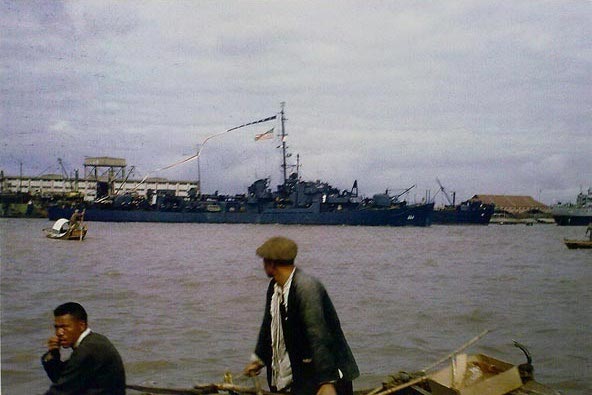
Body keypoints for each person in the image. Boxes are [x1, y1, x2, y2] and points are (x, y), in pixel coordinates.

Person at [244, 236, 359, 395]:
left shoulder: (306, 288)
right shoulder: (275, 287)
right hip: (303, 375)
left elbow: (318, 335)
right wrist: (259, 360)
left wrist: (327, 382)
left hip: (329, 377)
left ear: (271, 263)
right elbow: (268, 326)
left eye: (264, 261)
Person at [41, 302, 126, 395]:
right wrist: (53, 354)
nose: (59, 333)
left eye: (64, 327)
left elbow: (60, 389)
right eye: (56, 327)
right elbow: (62, 380)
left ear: (81, 325)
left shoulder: (87, 350)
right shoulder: (95, 340)